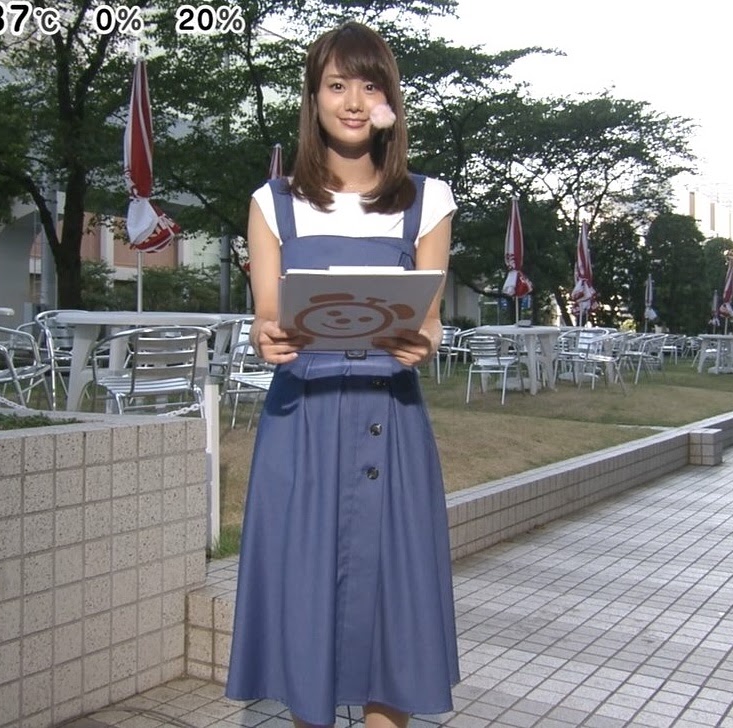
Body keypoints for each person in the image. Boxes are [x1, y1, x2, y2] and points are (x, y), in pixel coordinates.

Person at [224, 20, 460, 728]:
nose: (353, 102)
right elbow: (269, 315)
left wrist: (427, 338)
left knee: (397, 606)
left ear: (389, 102)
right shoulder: (272, 202)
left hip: (393, 421)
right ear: (313, 98)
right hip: (302, 425)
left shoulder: (428, 199)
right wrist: (266, 336)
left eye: (369, 86)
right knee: (305, 602)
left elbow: (431, 317)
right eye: (336, 85)